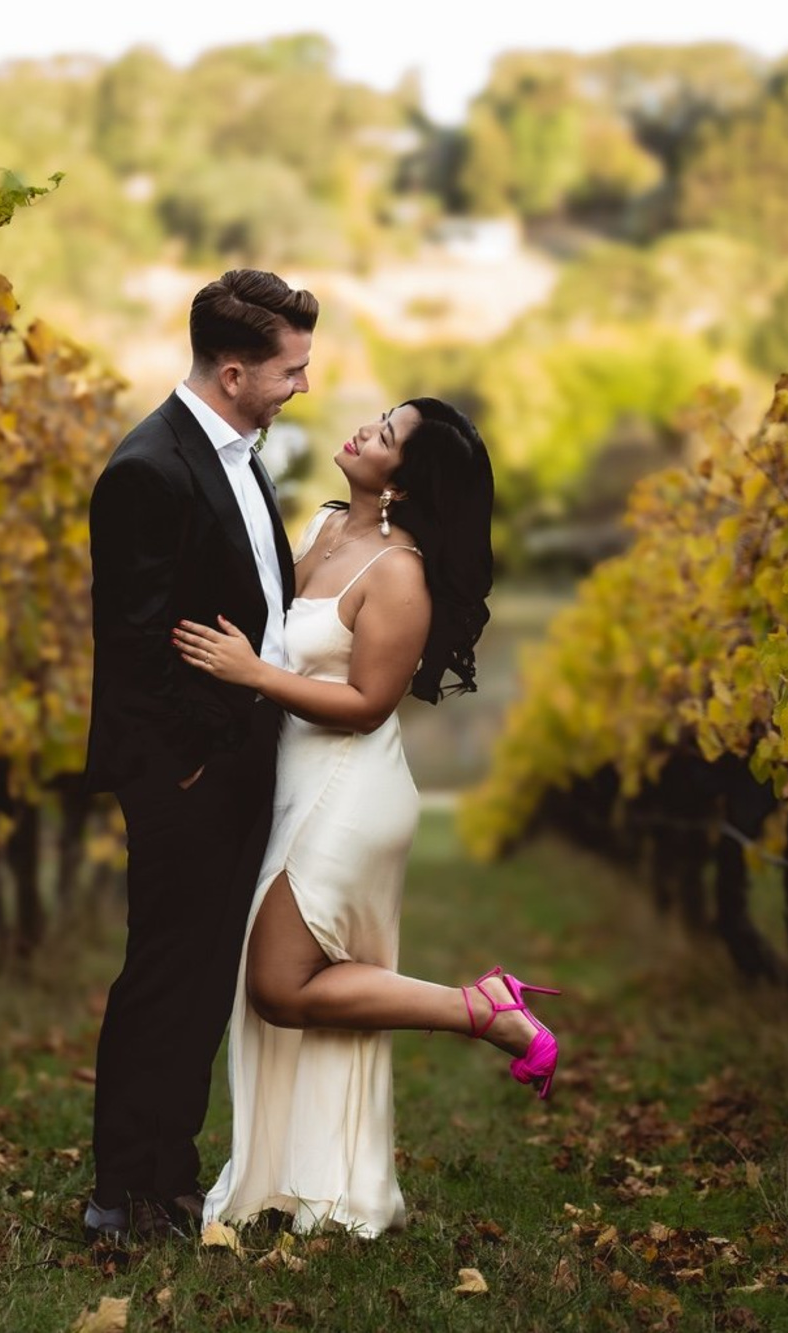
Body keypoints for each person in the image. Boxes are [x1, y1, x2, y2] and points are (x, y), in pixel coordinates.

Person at [172, 397, 557, 1238]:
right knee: (283, 984)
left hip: (346, 788)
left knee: (278, 985)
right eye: (377, 419)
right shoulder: (326, 529)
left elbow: (366, 703)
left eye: (383, 437)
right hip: (295, 783)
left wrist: (249, 674)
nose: (361, 430)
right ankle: (309, 1184)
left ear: (407, 485)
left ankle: (480, 1008)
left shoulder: (398, 573)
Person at [82, 269, 318, 1244]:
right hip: (186, 773)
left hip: (236, 763)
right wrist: (195, 760)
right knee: (163, 974)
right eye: (289, 370)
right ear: (232, 371)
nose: (300, 385)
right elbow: (136, 644)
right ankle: (120, 1191)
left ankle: (167, 1172)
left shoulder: (237, 453)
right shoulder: (148, 467)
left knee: (202, 974)